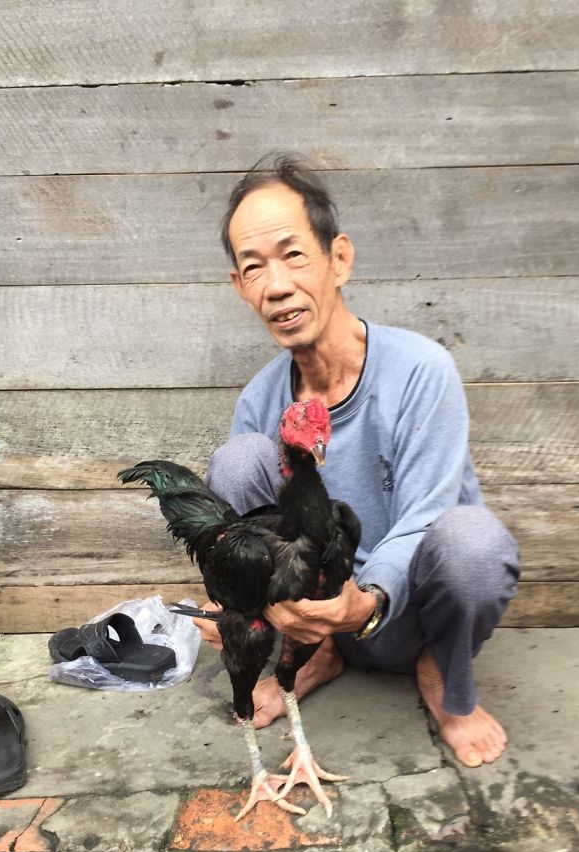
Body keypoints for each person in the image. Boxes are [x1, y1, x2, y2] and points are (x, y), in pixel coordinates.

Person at [193, 153, 520, 768]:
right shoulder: (261, 398)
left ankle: (441, 675)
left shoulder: (421, 370)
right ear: (241, 287)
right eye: (253, 267)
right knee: (237, 463)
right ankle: (313, 656)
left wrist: (365, 600)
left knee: (474, 541)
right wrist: (230, 604)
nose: (277, 284)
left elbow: (429, 516)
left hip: (404, 611)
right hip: (314, 617)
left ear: (338, 259)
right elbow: (246, 541)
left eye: (293, 254)